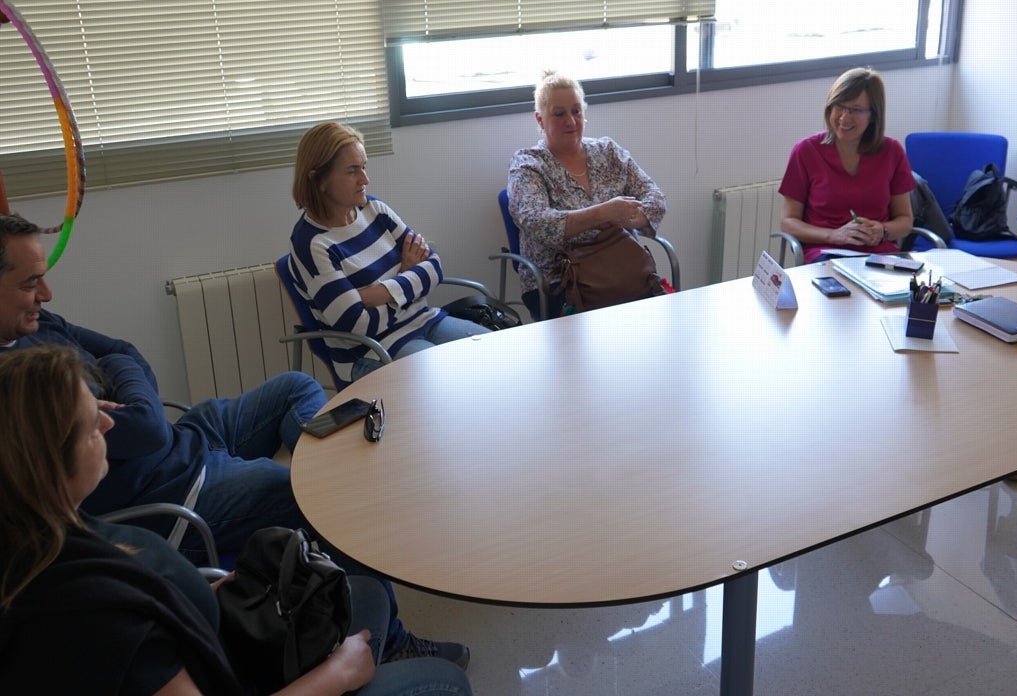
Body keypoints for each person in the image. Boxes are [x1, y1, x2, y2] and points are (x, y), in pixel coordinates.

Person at [0, 212, 469, 666]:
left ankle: (335, 475)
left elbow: (126, 352)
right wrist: (133, 396)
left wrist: (128, 389)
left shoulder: (40, 323)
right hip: (171, 492)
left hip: (183, 440)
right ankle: (393, 642)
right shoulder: (17, 387)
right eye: (28, 284)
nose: (46, 293)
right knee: (326, 502)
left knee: (295, 388)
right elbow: (141, 427)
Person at [0, 345, 474, 696]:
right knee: (445, 683)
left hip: (217, 639)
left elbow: (123, 355)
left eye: (102, 405)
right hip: (241, 678)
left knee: (363, 593)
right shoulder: (87, 608)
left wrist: (199, 594)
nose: (109, 424)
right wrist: (336, 675)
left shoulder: (62, 529)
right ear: (47, 461)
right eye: (92, 421)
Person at [290, 122, 489, 385]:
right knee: (453, 383)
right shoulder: (312, 243)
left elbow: (434, 267)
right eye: (352, 171)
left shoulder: (376, 211)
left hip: (424, 321)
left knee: (498, 355)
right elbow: (358, 324)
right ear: (319, 180)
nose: (365, 179)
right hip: (369, 351)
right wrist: (406, 279)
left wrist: (379, 293)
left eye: (364, 167)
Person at [507, 68, 667, 319]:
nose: (570, 122)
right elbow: (536, 221)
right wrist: (605, 213)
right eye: (559, 114)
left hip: (621, 268)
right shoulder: (528, 165)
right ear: (540, 120)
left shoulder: (608, 152)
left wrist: (635, 217)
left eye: (576, 111)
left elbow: (654, 197)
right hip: (558, 281)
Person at [779, 67, 916, 263]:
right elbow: (788, 222)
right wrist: (833, 235)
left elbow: (905, 220)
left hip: (879, 255)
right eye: (839, 107)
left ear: (873, 115)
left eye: (855, 110)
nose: (844, 118)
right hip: (825, 253)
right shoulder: (806, 151)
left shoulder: (892, 151)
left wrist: (882, 230)